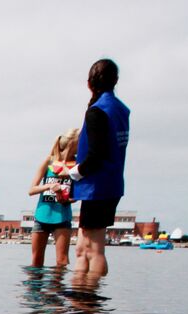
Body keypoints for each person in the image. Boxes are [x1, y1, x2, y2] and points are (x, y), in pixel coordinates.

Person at [69, 59, 129, 279]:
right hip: (110, 183)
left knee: (93, 250)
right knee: (82, 249)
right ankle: (79, 300)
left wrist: (75, 172)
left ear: (89, 83)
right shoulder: (119, 109)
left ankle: (88, 303)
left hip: (98, 186)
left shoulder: (98, 111)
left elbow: (96, 154)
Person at [27, 129, 79, 267]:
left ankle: (57, 288)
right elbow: (31, 190)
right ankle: (35, 288)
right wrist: (50, 186)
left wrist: (66, 198)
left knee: (62, 261)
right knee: (36, 260)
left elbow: (77, 195)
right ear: (73, 144)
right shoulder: (49, 161)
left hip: (62, 217)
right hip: (42, 216)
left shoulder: (77, 165)